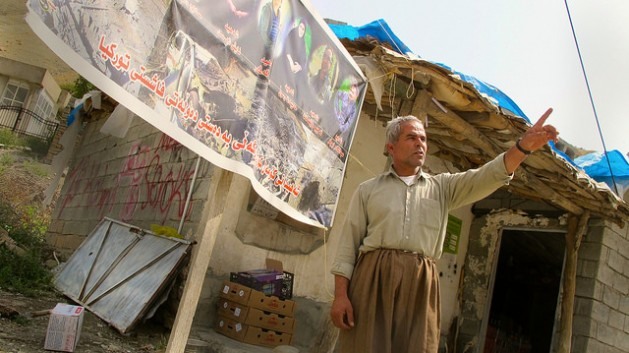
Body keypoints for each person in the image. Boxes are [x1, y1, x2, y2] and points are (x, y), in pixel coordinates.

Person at [330, 108, 558, 353]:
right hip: (373, 280)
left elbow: (487, 176)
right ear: (392, 147)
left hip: (419, 286)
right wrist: (341, 296)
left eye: (423, 139)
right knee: (364, 346)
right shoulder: (368, 190)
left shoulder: (443, 188)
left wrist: (522, 148)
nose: (420, 143)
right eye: (412, 137)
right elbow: (348, 246)